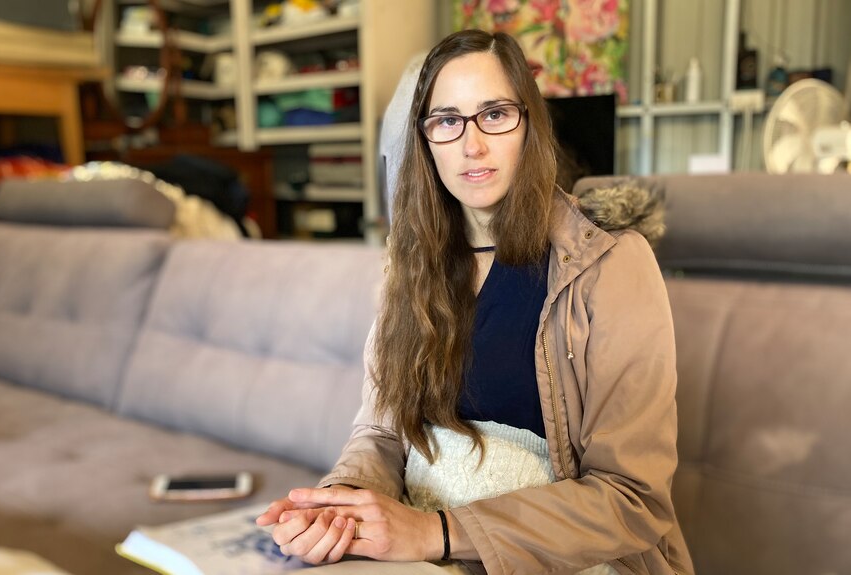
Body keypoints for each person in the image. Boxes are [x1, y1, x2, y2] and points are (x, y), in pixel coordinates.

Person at [256, 29, 694, 575]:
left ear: (529, 124)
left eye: (494, 114)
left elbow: (633, 498)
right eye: (447, 121)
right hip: (422, 551)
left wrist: (438, 531)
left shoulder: (610, 263)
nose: (472, 145)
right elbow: (381, 433)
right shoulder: (409, 266)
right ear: (425, 140)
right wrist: (343, 504)